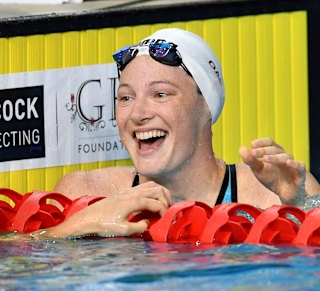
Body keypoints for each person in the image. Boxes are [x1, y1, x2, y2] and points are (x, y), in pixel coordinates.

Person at [32, 28, 320, 239]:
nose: (138, 113)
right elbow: (18, 268)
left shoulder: (265, 197)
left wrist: (297, 209)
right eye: (125, 98)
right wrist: (75, 226)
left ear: (206, 105)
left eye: (160, 94)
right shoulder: (86, 193)